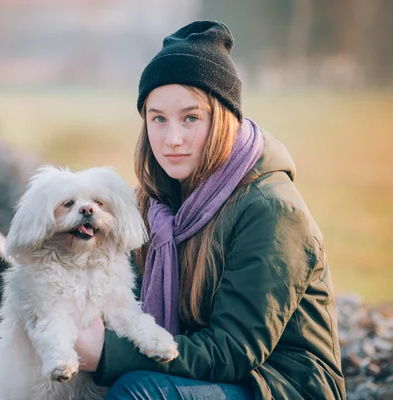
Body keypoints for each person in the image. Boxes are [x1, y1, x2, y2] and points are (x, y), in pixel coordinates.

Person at [74, 20, 345, 399]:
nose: (173, 139)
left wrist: (106, 352)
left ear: (223, 119)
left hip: (279, 384)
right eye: (158, 119)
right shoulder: (155, 203)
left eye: (191, 118)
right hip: (213, 369)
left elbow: (233, 350)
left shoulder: (272, 211)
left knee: (137, 392)